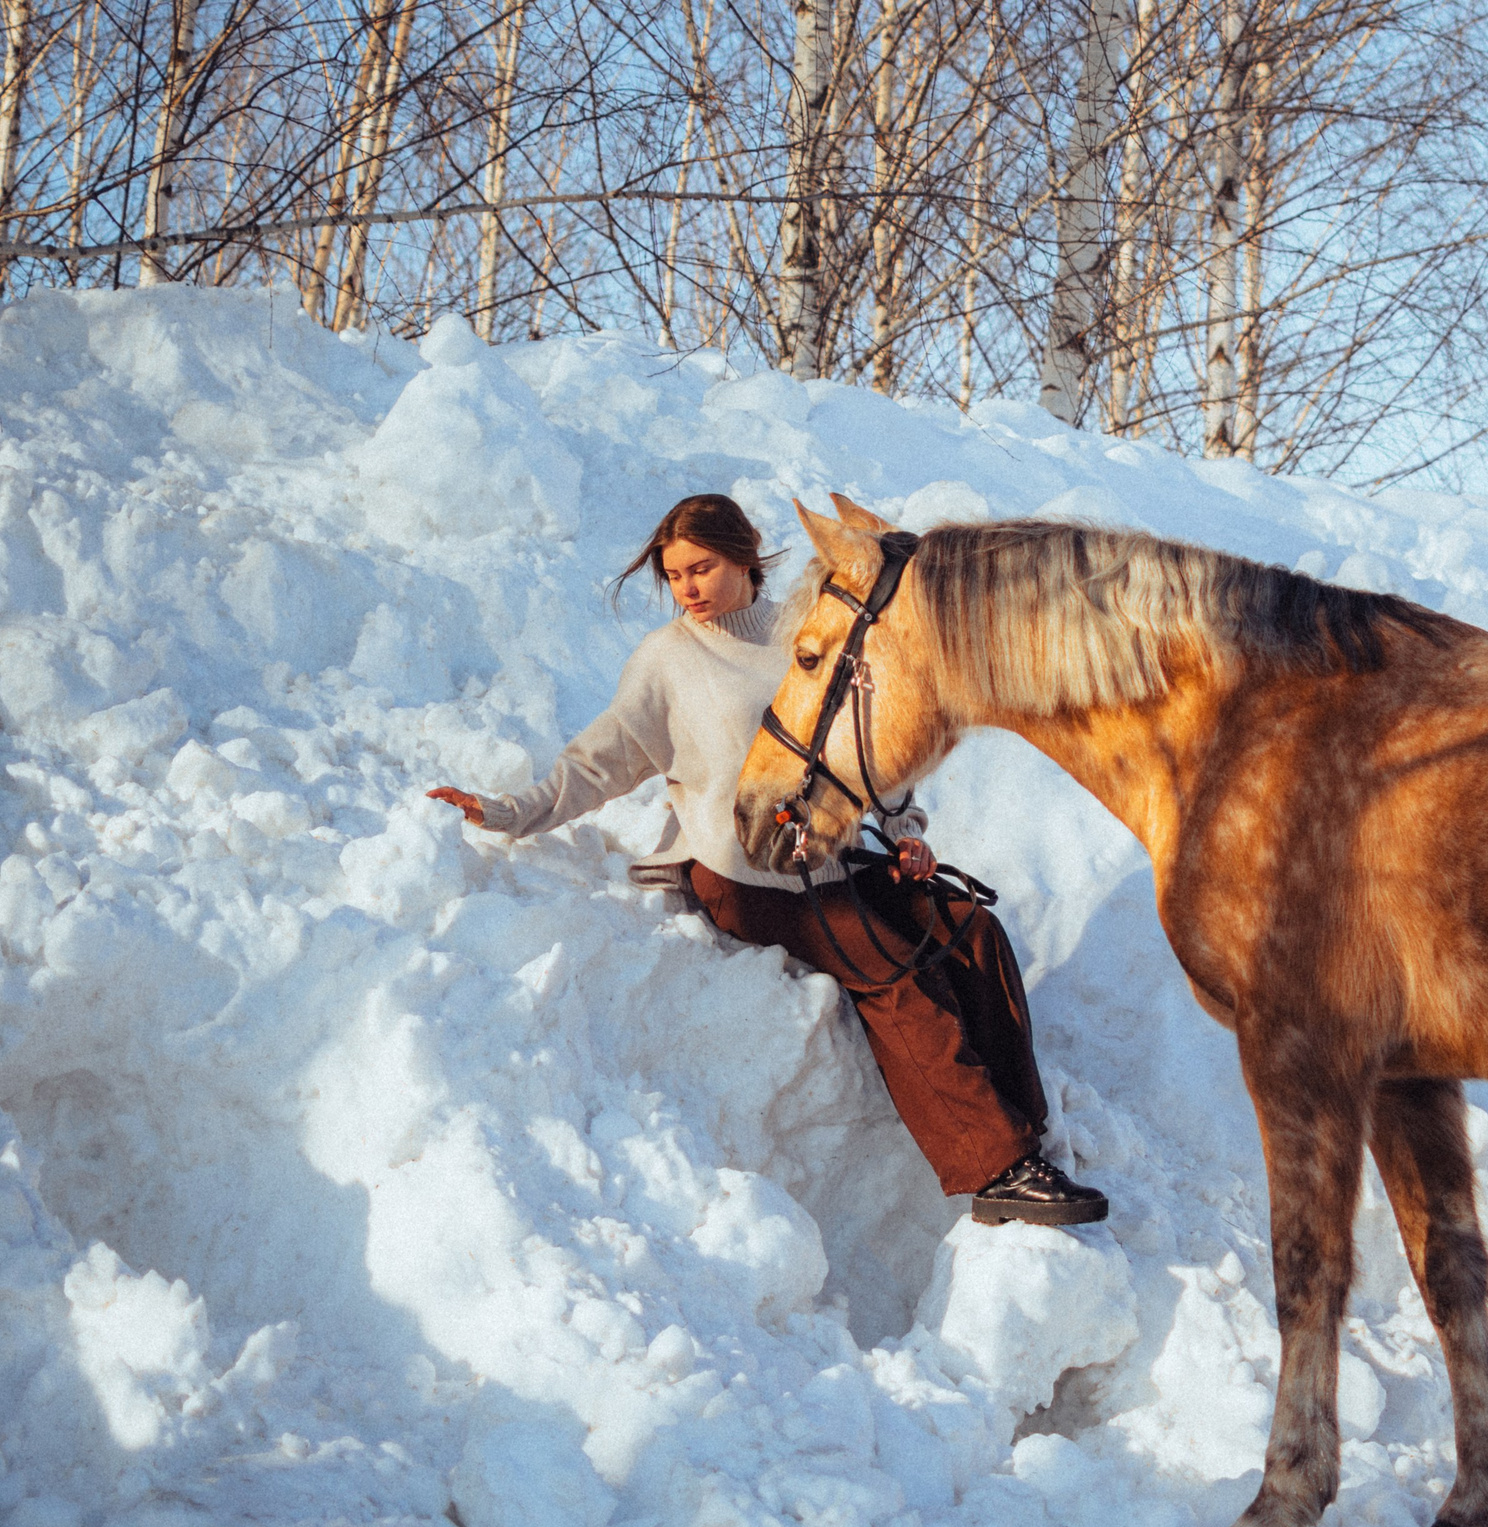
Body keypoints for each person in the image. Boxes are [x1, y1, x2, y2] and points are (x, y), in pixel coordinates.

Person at [428, 493, 1107, 1227]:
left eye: (702, 566)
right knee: (889, 968)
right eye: (674, 573)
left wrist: (902, 828)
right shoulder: (669, 659)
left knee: (968, 927)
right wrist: (507, 812)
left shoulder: (803, 631)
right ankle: (996, 1170)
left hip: (833, 858)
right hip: (739, 873)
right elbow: (600, 761)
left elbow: (859, 749)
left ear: (747, 554)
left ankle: (1028, 1133)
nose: (687, 586)